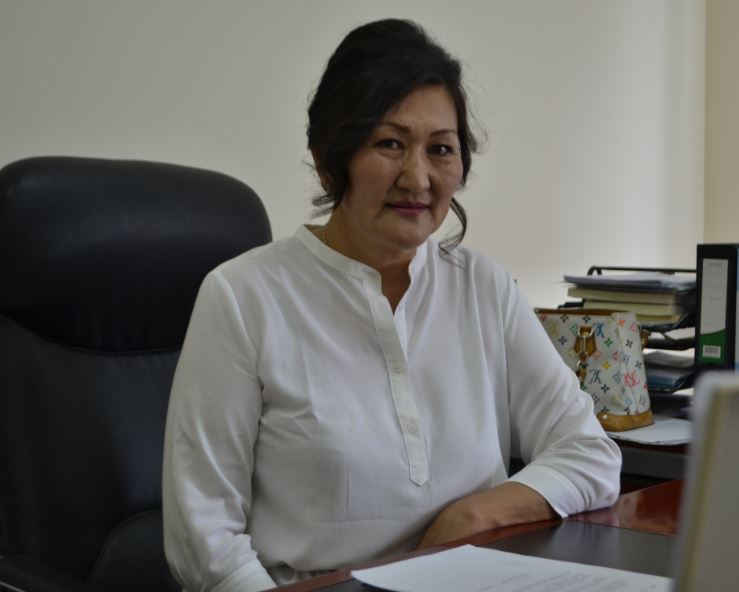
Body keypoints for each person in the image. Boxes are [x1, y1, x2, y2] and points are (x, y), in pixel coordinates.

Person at [162, 18, 621, 592]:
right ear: (330, 160)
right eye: (390, 144)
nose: (418, 178)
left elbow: (590, 453)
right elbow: (204, 540)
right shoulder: (243, 296)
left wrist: (472, 517)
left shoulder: (483, 287)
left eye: (441, 149)